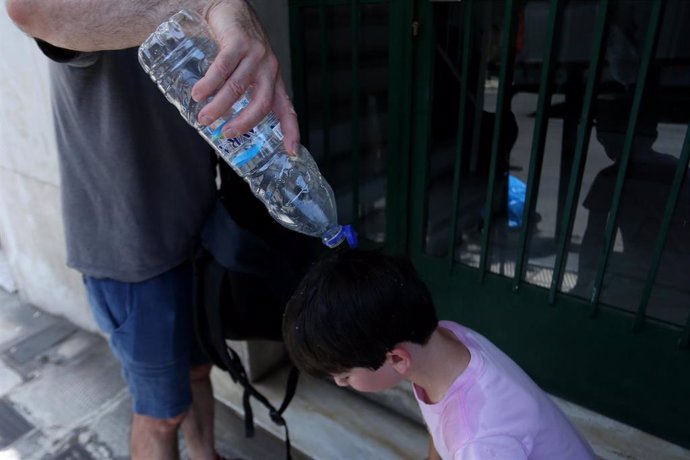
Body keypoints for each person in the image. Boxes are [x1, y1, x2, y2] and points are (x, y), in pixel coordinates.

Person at [5, 1, 299, 459]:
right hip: (130, 253)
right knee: (160, 414)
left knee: (199, 375)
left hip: (198, 231)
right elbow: (29, 10)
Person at [283, 249, 595, 460]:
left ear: (396, 360)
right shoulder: (443, 342)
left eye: (345, 375)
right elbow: (441, 428)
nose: (340, 383)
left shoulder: (479, 441)